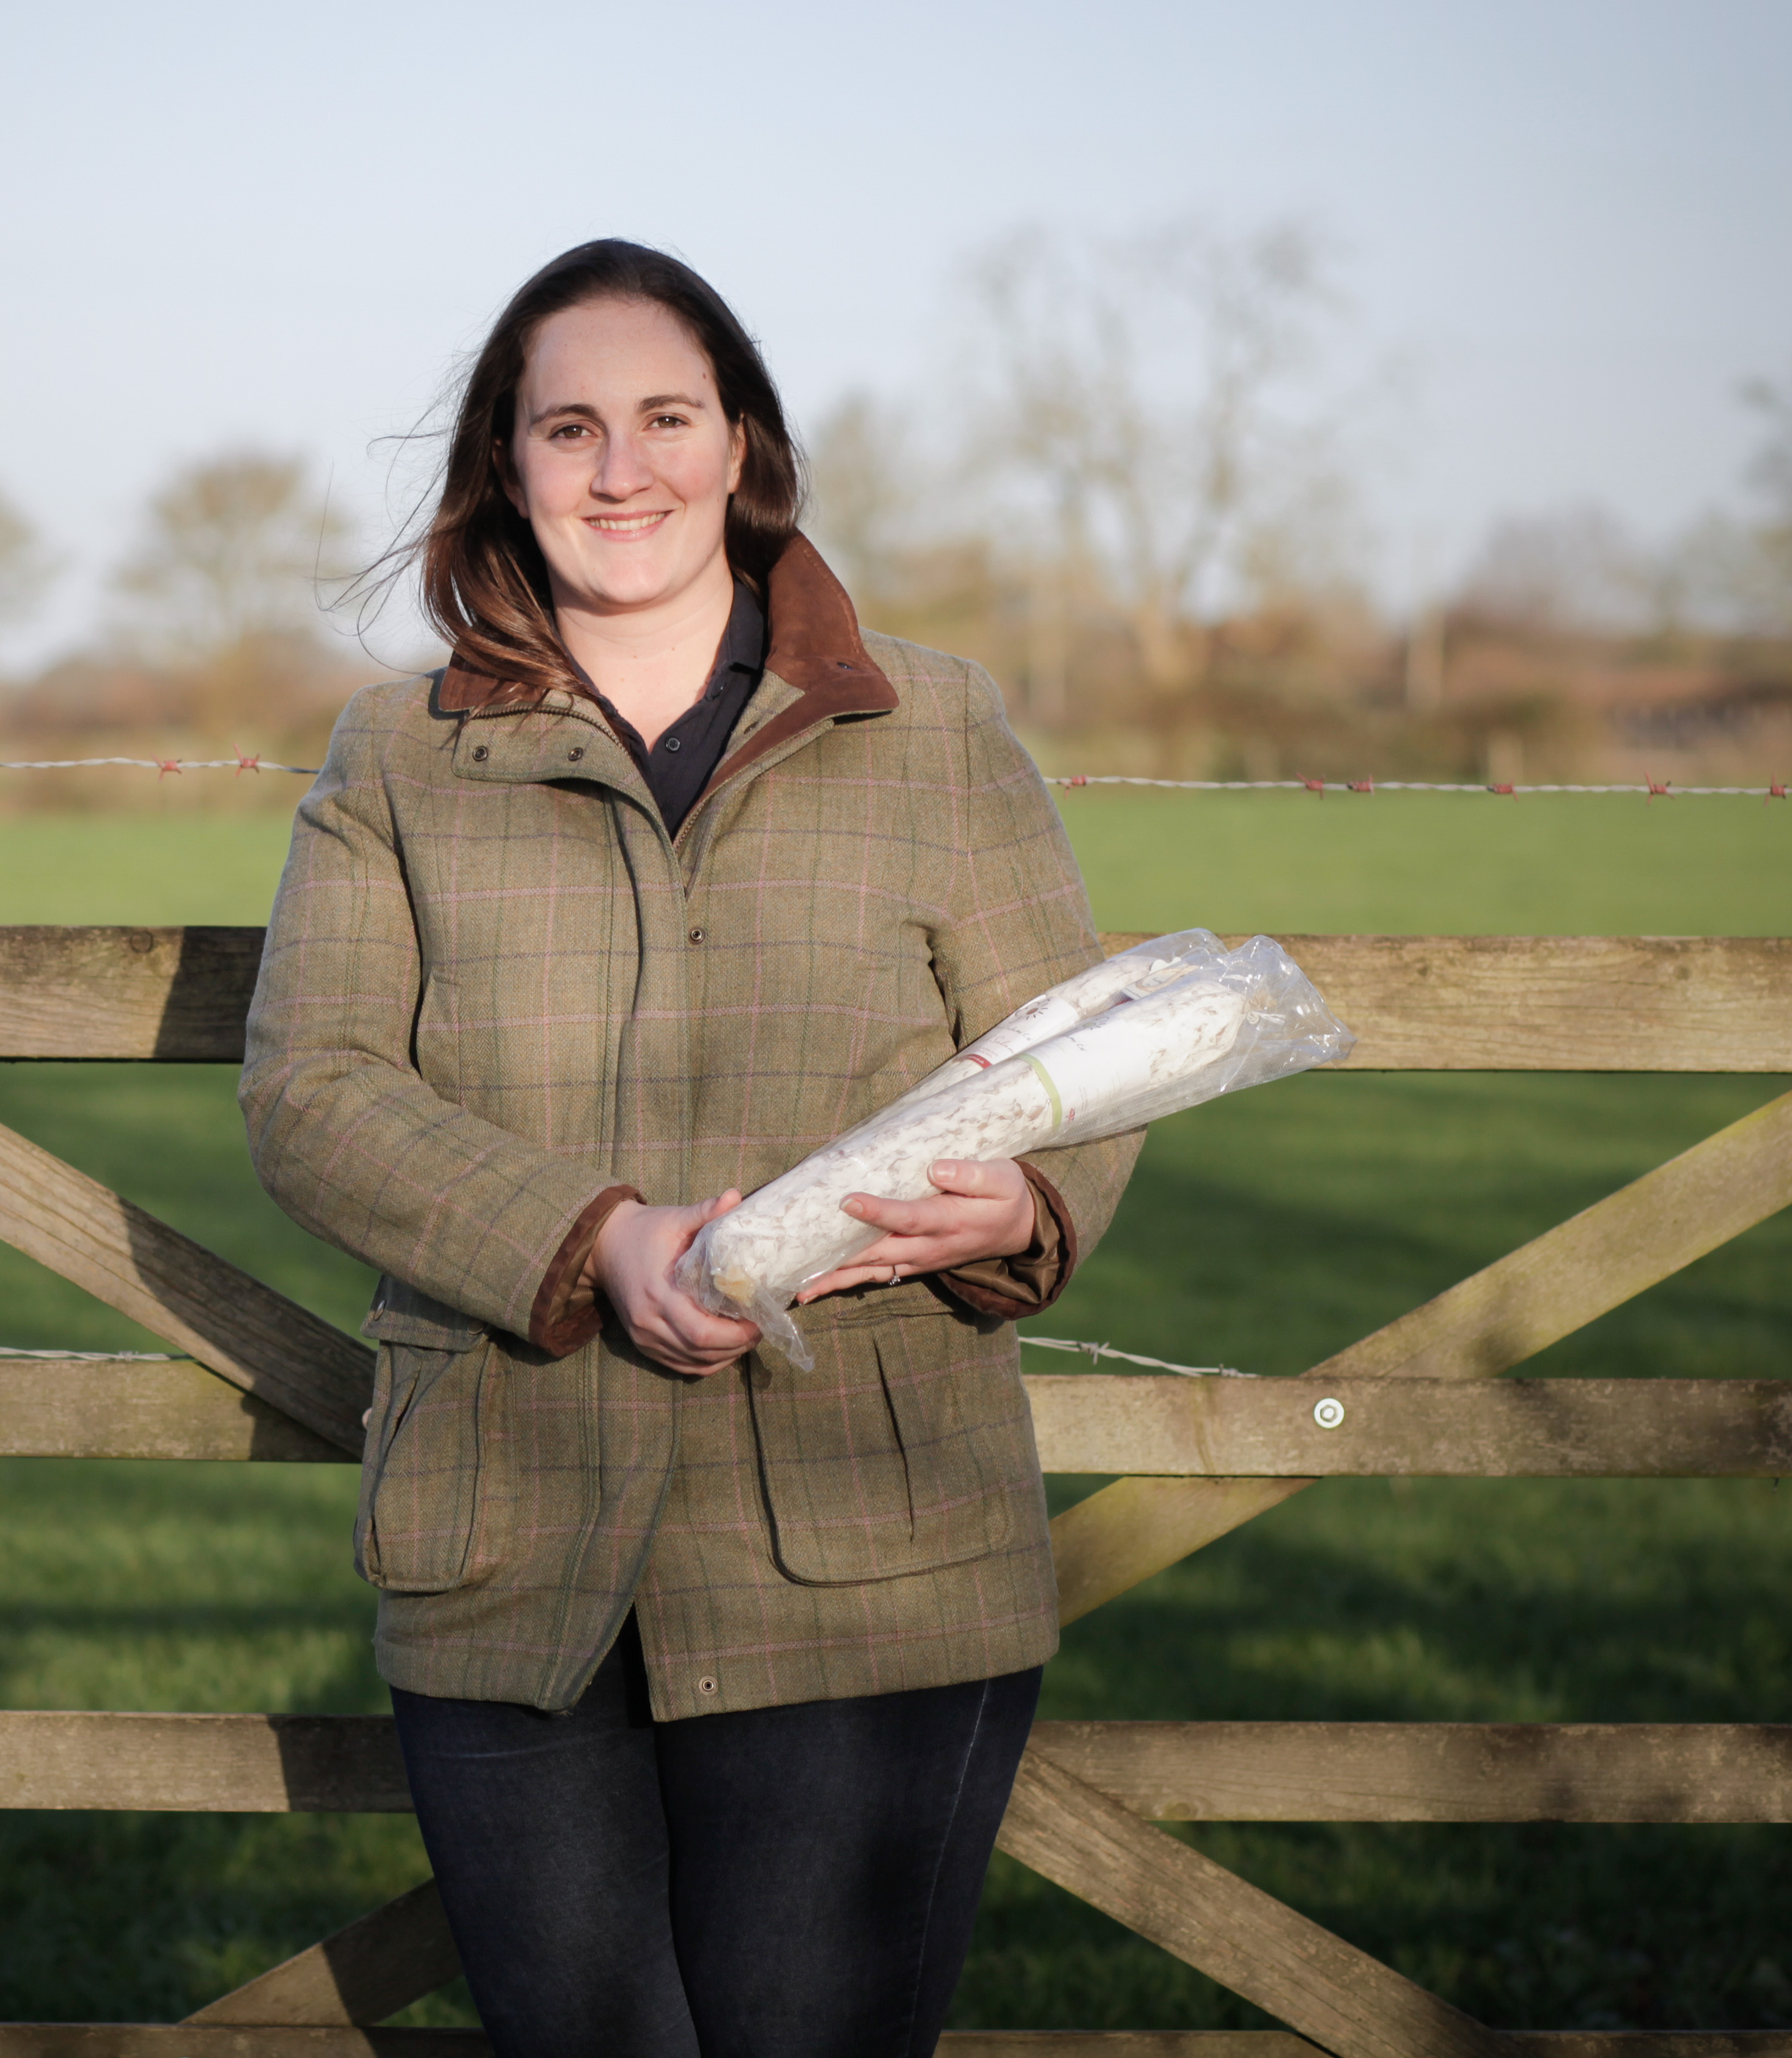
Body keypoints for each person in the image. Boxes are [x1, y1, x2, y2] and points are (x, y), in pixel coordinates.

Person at [238, 239, 1141, 2058]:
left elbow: (1077, 1065)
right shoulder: (398, 757)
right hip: (510, 1541)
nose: (620, 469)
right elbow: (311, 1088)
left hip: (874, 1545)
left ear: (744, 447)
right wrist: (595, 1242)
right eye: (567, 427)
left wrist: (1025, 1202)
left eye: (666, 418)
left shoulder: (936, 727)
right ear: (506, 465)